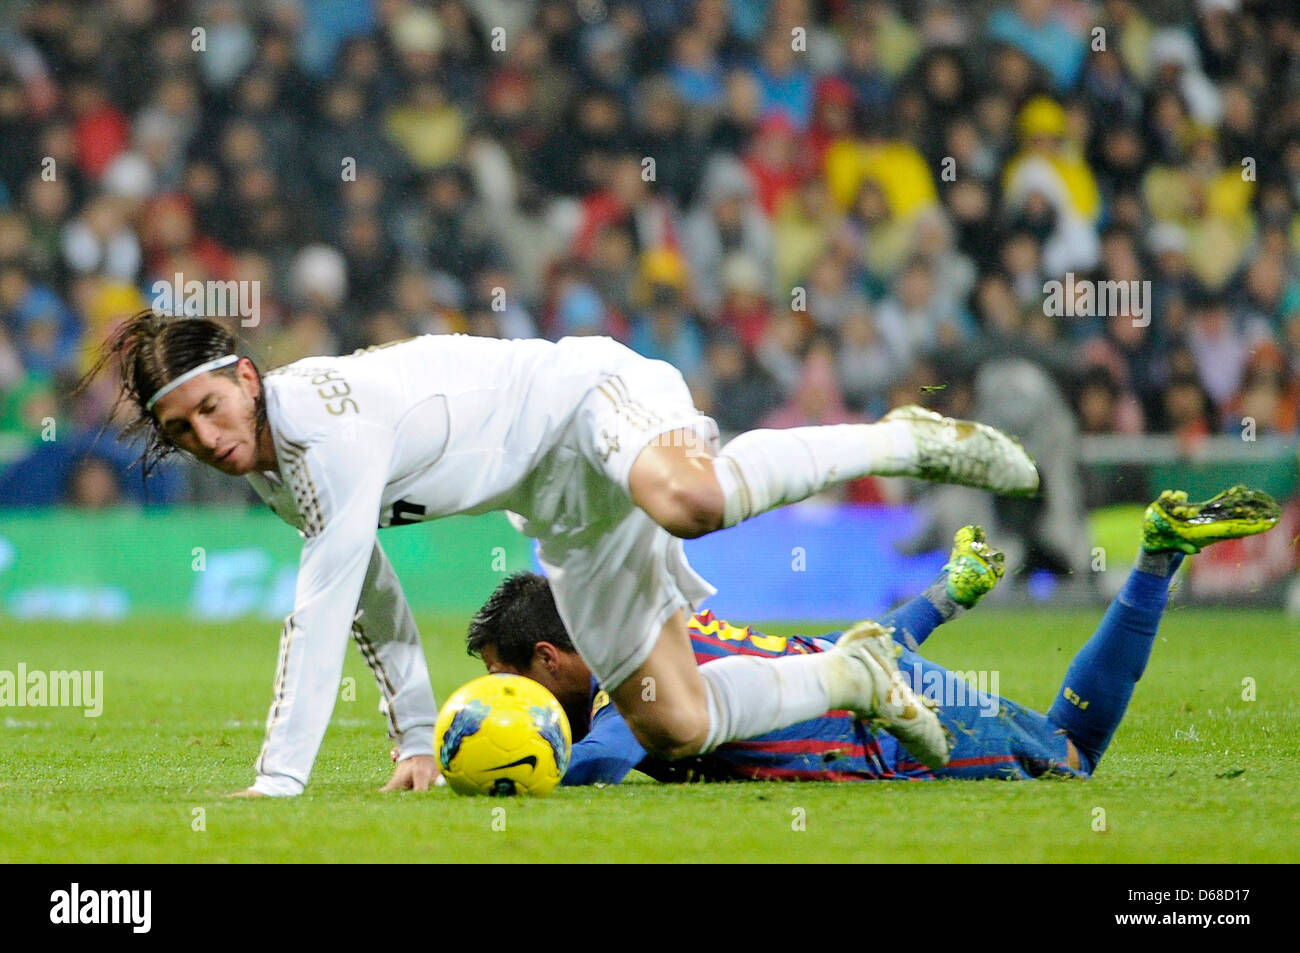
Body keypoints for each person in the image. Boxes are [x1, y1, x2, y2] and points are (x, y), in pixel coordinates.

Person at [75, 311, 1040, 796]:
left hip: (583, 398)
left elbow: (321, 605)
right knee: (675, 721)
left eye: (209, 407)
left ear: (246, 377)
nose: (205, 435)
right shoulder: (274, 470)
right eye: (182, 429)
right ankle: (857, 673)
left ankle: (904, 438)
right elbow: (371, 593)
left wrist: (278, 782)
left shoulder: (318, 423)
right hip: (556, 499)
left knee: (690, 496)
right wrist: (415, 736)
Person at [465, 486, 1279, 784]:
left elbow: (602, 762)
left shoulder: (634, 686)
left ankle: (1155, 561)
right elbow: (836, 649)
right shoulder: (676, 631)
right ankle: (1156, 563)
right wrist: (939, 601)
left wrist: (495, 768)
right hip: (890, 693)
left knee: (1072, 758)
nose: (514, 704)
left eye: (511, 683)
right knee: (1070, 744)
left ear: (551, 657)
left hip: (899, 734)